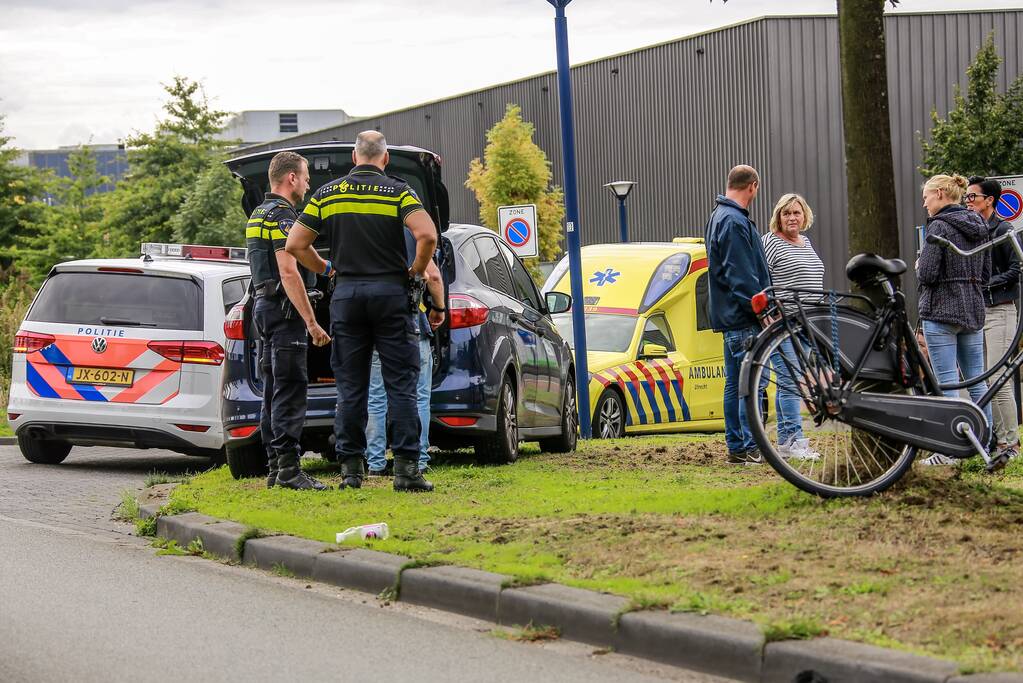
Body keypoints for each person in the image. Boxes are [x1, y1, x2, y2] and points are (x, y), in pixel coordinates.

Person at [286, 131, 444, 492]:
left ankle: (352, 471)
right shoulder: (400, 192)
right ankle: (406, 471)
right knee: (402, 385)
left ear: (354, 159)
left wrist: (327, 268)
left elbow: (295, 244)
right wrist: (417, 271)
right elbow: (428, 236)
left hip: (348, 297)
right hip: (391, 296)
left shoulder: (328, 194)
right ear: (385, 159)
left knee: (351, 387)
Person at [247, 151, 331, 490]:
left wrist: (326, 268)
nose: (309, 182)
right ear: (291, 178)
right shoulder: (284, 216)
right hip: (284, 314)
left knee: (272, 390)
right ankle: (289, 471)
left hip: (263, 310)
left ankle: (274, 468)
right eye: (306, 175)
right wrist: (311, 322)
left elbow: (300, 255)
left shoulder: (259, 213)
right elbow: (287, 269)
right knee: (290, 390)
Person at [917, 173, 993, 466]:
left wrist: (919, 263)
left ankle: (949, 450)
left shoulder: (938, 226)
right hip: (972, 309)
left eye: (926, 196)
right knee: (977, 381)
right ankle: (985, 441)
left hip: (941, 310)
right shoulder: (980, 225)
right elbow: (985, 276)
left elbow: (928, 274)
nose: (924, 203)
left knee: (947, 382)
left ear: (939, 194)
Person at [705, 165, 771, 465]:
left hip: (729, 317)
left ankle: (736, 446)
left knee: (735, 383)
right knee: (751, 384)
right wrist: (761, 309)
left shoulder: (719, 216)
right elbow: (741, 274)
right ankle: (750, 445)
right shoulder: (734, 221)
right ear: (752, 187)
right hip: (743, 317)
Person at [366, 230, 443, 477]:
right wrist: (439, 308)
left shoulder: (366, 237)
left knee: (376, 398)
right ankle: (418, 460)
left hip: (375, 325)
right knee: (418, 396)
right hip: (411, 324)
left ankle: (376, 464)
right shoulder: (413, 234)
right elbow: (433, 276)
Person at [762, 193, 824, 461]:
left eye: (796, 213)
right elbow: (761, 281)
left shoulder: (806, 242)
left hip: (808, 322)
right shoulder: (771, 243)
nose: (792, 218)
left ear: (804, 215)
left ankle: (786, 441)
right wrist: (769, 313)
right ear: (778, 216)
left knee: (791, 381)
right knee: (789, 381)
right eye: (786, 213)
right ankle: (796, 439)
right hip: (783, 322)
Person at [967, 176, 1020, 461]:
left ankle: (1010, 444)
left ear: (989, 200)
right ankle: (995, 439)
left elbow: (1017, 268)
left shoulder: (1004, 229)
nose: (968, 202)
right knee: (984, 379)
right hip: (979, 312)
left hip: (1000, 310)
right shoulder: (974, 231)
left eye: (972, 197)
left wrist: (984, 284)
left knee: (999, 377)